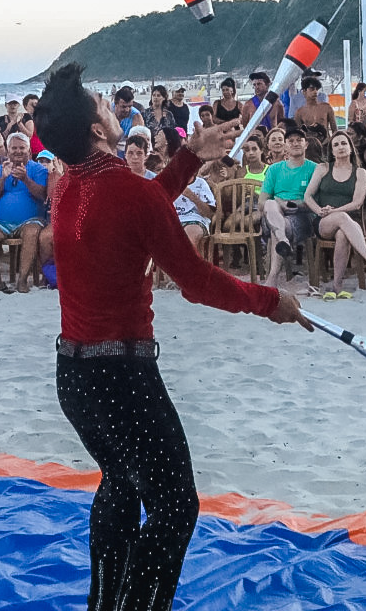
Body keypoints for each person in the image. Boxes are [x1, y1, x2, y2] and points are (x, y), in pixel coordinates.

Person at [34, 62, 306, 611]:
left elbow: (138, 209)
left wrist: (189, 157)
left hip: (76, 378)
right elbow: (198, 281)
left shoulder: (66, 185)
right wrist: (269, 301)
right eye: (102, 106)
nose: (111, 108)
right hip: (123, 379)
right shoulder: (128, 195)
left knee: (120, 482)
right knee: (177, 507)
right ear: (95, 130)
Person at [303, 130, 366, 297]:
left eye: (344, 143)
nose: (340, 147)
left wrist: (335, 210)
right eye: (336, 145)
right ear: (331, 151)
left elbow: (357, 203)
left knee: (342, 233)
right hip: (324, 220)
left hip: (350, 221)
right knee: (340, 219)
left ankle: (337, 286)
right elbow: (307, 196)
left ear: (351, 148)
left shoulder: (360, 172)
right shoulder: (323, 168)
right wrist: (319, 210)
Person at [0, 132, 51, 293]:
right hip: (2, 223)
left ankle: (23, 280)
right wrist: (3, 178)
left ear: (29, 150)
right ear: (8, 151)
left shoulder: (38, 169)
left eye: (22, 148)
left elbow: (42, 195)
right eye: (14, 148)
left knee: (32, 232)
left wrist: (26, 179)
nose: (18, 151)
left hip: (30, 221)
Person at [257, 127, 317, 285]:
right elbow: (262, 202)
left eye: (299, 140)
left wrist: (292, 204)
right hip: (274, 214)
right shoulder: (274, 169)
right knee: (270, 204)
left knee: (277, 226)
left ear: (306, 144)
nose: (295, 143)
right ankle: (282, 239)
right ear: (285, 146)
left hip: (302, 215)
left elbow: (315, 202)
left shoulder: (315, 169)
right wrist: (280, 204)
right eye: (291, 141)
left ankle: (273, 277)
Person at [295, 76, 337, 145]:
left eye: (317, 89)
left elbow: (334, 130)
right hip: (309, 147)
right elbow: (298, 134)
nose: (315, 91)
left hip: (326, 145)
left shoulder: (326, 107)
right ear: (304, 91)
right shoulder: (300, 112)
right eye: (312, 89)